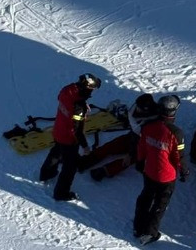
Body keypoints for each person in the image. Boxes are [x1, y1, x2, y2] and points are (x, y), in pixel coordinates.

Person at [133, 94, 189, 245]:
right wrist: (184, 171)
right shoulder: (176, 133)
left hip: (149, 171)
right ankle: (150, 233)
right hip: (166, 177)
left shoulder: (147, 126)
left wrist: (140, 162)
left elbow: (141, 146)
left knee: (145, 198)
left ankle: (138, 227)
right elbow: (179, 157)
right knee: (160, 204)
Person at [39, 73, 102, 201]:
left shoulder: (67, 90)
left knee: (56, 151)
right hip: (68, 137)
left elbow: (62, 99)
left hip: (58, 129)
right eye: (92, 89)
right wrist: (85, 147)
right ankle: (61, 193)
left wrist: (82, 103)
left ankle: (46, 173)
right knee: (70, 167)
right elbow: (78, 131)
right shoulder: (79, 108)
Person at [85, 93, 160, 181]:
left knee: (131, 158)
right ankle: (87, 160)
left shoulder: (155, 120)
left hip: (147, 142)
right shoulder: (134, 111)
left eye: (140, 109)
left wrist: (130, 154)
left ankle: (105, 170)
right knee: (113, 145)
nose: (137, 109)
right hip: (134, 135)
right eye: (138, 107)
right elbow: (135, 134)